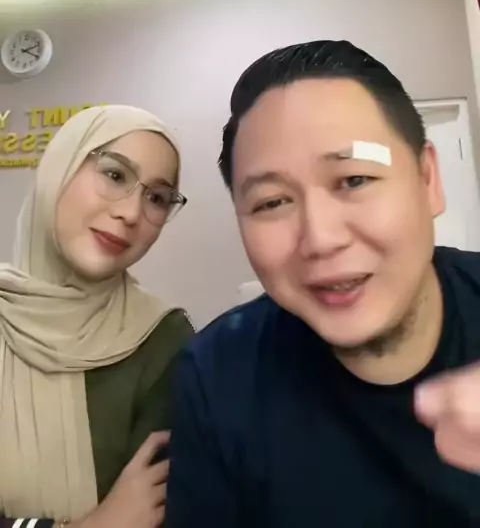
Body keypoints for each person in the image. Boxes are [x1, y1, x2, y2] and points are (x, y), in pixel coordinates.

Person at [166, 40, 480, 526]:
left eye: (354, 180)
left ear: (428, 179)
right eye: (272, 202)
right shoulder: (216, 375)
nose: (320, 239)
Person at [0, 104, 194, 528]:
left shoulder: (163, 340)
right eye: (115, 175)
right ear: (60, 168)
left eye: (157, 198)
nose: (131, 213)